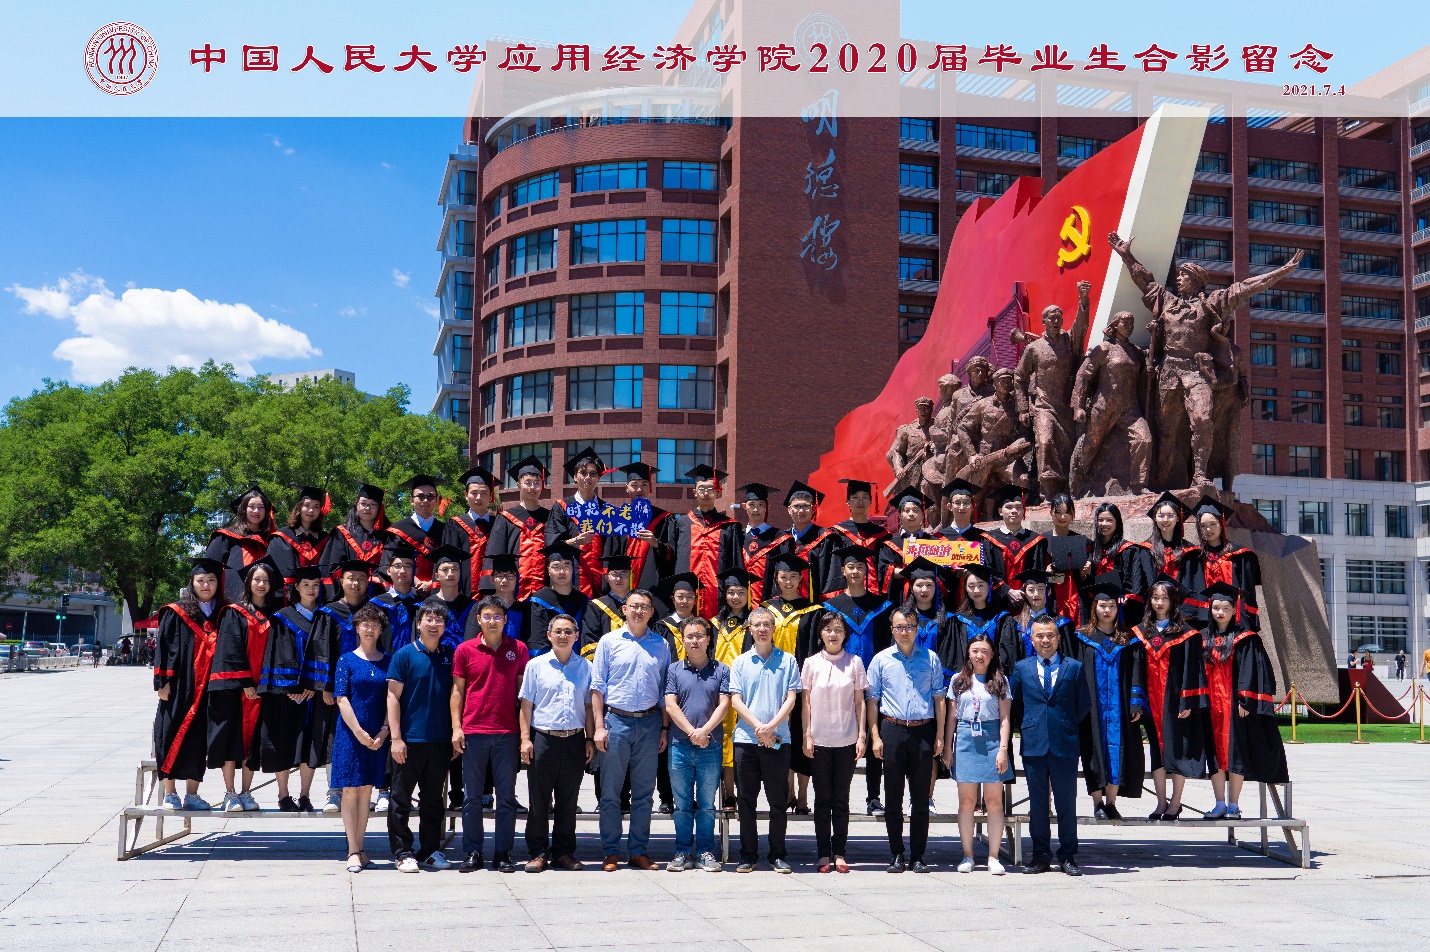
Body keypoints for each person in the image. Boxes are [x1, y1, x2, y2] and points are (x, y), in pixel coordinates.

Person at [590, 588, 670, 871]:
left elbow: (664, 690)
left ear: (651, 612)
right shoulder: (609, 642)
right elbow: (597, 687)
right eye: (634, 606)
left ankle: (638, 850)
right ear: (624, 609)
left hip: (649, 723)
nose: (639, 611)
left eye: (644, 607)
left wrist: (664, 728)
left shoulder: (661, 644)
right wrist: (599, 726)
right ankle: (610, 851)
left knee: (644, 793)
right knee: (611, 792)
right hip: (617, 722)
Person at [452, 595, 530, 873]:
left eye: (498, 616)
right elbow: (458, 691)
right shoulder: (465, 650)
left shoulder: (518, 649)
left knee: (506, 798)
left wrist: (524, 735)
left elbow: (523, 695)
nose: (493, 621)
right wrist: (456, 727)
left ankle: (503, 853)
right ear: (479, 620)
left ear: (505, 620)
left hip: (507, 733)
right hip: (474, 732)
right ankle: (473, 851)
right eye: (487, 616)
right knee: (472, 797)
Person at [867, 607, 946, 873]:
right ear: (892, 630)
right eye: (899, 627)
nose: (905, 632)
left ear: (917, 629)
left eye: (910, 626)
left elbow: (939, 698)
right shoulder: (881, 660)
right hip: (892, 730)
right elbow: (872, 700)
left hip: (923, 731)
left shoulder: (931, 658)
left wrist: (940, 735)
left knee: (921, 799)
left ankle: (918, 856)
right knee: (893, 797)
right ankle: (897, 854)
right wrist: (875, 736)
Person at [1200, 583, 1289, 819]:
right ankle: (1219, 803)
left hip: (1233, 708)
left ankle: (1233, 805)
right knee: (1215, 755)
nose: (1220, 612)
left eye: (1225, 608)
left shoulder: (1245, 639)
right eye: (1216, 608)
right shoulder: (1202, 638)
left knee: (1234, 754)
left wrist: (1245, 701)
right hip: (1211, 707)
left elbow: (1250, 671)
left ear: (1234, 610)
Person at [1011, 615, 1091, 875]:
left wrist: (1064, 724)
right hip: (1034, 744)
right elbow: (1017, 705)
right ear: (1031, 639)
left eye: (1050, 635)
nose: (1045, 640)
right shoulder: (1021, 668)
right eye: (1040, 636)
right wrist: (1032, 724)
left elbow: (1083, 704)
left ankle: (1067, 855)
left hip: (1064, 743)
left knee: (1066, 802)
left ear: (1058, 638)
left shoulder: (1074, 667)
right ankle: (1040, 855)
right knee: (1037, 803)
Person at [821, 544, 894, 817]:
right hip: (841, 681)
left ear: (867, 571)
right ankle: (837, 797)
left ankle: (873, 797)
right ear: (843, 570)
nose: (855, 571)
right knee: (841, 740)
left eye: (860, 567)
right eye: (851, 567)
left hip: (874, 682)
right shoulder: (832, 606)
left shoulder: (881, 606)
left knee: (874, 738)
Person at [1065, 580, 1148, 820]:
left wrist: (1136, 703)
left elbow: (1137, 673)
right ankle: (1097, 802)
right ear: (1095, 607)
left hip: (1120, 707)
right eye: (1102, 605)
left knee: (1117, 751)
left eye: (1112, 605)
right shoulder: (1082, 637)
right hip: (1092, 707)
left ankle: (1111, 802)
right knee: (1093, 750)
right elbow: (1074, 671)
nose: (1107, 610)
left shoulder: (1128, 639)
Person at [518, 613, 593, 872]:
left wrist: (589, 738)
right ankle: (538, 852)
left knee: (568, 800)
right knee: (538, 800)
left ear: (576, 636)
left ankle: (563, 852)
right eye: (558, 631)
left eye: (568, 631)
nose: (563, 636)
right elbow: (526, 705)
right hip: (543, 739)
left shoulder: (585, 667)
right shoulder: (536, 666)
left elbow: (588, 706)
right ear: (549, 635)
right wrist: (525, 739)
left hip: (574, 740)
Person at [728, 607, 801, 873]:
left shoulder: (788, 661)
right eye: (757, 624)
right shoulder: (740, 662)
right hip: (746, 741)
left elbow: (791, 699)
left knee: (778, 801)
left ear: (774, 628)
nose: (762, 629)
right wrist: (760, 727)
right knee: (746, 801)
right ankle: (748, 854)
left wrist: (771, 727)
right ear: (750, 629)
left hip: (778, 740)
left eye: (767, 624)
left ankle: (777, 854)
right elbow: (736, 700)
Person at [386, 597, 456, 872]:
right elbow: (393, 697)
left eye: (439, 620)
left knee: (433, 800)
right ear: (418, 624)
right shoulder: (404, 655)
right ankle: (403, 852)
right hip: (409, 740)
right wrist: (396, 738)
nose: (434, 624)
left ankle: (429, 851)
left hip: (439, 740)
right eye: (429, 619)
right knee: (400, 800)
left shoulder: (450, 656)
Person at [1134, 576, 1210, 821]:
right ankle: (1160, 802)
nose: (1159, 602)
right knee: (1156, 751)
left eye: (1164, 598)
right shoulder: (1141, 632)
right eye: (1155, 598)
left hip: (1174, 701)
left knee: (1177, 750)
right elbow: (1136, 669)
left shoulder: (1186, 634)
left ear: (1173, 601)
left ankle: (1175, 803)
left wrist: (1187, 702)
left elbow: (1192, 669)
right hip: (1151, 701)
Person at [154, 558, 226, 811]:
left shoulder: (224, 612)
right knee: (170, 731)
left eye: (211, 580)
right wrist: (162, 681)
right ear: (192, 583)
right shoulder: (176, 612)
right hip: (180, 684)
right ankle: (170, 792)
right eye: (201, 580)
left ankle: (192, 794)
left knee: (198, 739)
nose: (206, 585)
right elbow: (164, 647)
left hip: (209, 686)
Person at [209, 558, 280, 812]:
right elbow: (230, 650)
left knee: (253, 742)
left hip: (265, 688)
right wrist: (246, 682)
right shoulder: (234, 612)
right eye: (257, 579)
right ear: (248, 582)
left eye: (266, 580)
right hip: (236, 689)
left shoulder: (276, 615)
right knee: (232, 739)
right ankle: (230, 793)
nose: (261, 584)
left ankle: (246, 792)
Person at [800, 611, 868, 874]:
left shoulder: (855, 662)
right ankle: (822, 853)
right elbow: (806, 703)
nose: (833, 634)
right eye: (828, 629)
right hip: (819, 740)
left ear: (845, 634)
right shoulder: (811, 663)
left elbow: (860, 703)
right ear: (821, 633)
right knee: (822, 800)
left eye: (838, 629)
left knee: (841, 799)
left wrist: (861, 735)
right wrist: (807, 735)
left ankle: (839, 852)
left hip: (847, 740)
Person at [663, 615, 731, 872]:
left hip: (710, 746)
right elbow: (670, 705)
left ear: (708, 639)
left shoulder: (722, 670)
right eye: (689, 636)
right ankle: (682, 851)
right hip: (680, 745)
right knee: (682, 804)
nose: (694, 641)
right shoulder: (673, 670)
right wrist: (693, 732)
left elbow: (724, 705)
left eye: (699, 636)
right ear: (683, 640)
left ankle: (705, 852)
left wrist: (704, 731)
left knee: (706, 804)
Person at [305, 559, 373, 814]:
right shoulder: (328, 613)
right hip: (336, 690)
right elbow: (320, 650)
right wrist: (325, 686)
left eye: (361, 579)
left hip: (366, 689)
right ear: (341, 581)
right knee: (334, 739)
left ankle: (364, 788)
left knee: (365, 735)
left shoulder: (373, 611)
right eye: (351, 578)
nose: (356, 583)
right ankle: (334, 791)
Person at [943, 632, 1012, 874]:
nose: (979, 655)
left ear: (992, 655)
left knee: (993, 801)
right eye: (975, 651)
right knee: (966, 802)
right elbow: (952, 718)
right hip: (965, 740)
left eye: (984, 651)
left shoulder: (1000, 680)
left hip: (992, 740)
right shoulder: (958, 680)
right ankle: (968, 855)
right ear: (968, 654)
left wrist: (1003, 750)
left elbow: (1005, 718)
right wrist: (948, 747)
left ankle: (993, 856)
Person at [331, 603, 391, 872]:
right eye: (365, 624)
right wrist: (358, 731)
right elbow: (341, 698)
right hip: (350, 733)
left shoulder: (388, 661)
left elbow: (392, 697)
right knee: (350, 789)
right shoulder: (346, 660)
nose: (370, 629)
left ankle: (362, 847)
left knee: (367, 789)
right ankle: (352, 850)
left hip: (378, 734)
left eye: (375, 625)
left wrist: (384, 731)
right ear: (356, 628)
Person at [259, 565, 323, 811]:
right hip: (287, 693)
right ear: (297, 587)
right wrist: (293, 686)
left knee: (309, 744)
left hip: (314, 692)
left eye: (315, 585)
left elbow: (327, 654)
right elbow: (278, 653)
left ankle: (305, 795)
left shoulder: (325, 617)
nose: (311, 589)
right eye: (306, 585)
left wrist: (314, 685)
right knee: (284, 740)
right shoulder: (283, 617)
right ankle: (284, 795)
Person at [763, 552, 822, 813]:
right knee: (781, 737)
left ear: (801, 579)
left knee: (801, 736)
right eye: (783, 576)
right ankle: (787, 791)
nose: (788, 581)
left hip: (802, 683)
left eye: (793, 577)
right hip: (774, 683)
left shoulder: (813, 611)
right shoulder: (766, 610)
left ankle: (803, 795)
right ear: (776, 578)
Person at [675, 465, 745, 618]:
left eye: (710, 489)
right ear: (695, 492)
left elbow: (735, 563)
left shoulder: (729, 526)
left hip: (718, 597)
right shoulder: (682, 524)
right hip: (687, 597)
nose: (706, 493)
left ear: (718, 492)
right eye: (701, 489)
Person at [1182, 498, 1262, 631]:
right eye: (1203, 525)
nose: (1208, 529)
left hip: (1234, 620)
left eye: (1213, 524)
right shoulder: (1195, 557)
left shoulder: (1240, 555)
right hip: (1204, 623)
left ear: (1221, 524)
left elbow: (1246, 592)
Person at [547, 447, 614, 598]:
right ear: (575, 477)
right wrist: (575, 541)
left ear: (598, 478)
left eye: (593, 474)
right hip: (571, 580)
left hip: (600, 582)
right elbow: (552, 544)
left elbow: (612, 547)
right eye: (583, 473)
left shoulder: (607, 510)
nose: (588, 477)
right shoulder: (562, 507)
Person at [817, 479, 901, 599]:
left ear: (870, 501)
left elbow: (885, 569)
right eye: (855, 497)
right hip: (846, 597)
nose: (860, 501)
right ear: (847, 502)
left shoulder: (882, 534)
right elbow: (833, 569)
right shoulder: (836, 534)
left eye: (864, 497)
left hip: (876, 598)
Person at [712, 568, 754, 807]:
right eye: (731, 592)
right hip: (719, 691)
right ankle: (729, 793)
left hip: (746, 690)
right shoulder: (714, 623)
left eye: (740, 592)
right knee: (725, 739)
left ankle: (747, 794)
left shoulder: (754, 623)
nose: (736, 597)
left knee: (744, 740)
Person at [489, 455, 554, 598]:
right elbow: (496, 553)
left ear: (542, 485)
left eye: (537, 483)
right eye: (528, 483)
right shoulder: (505, 518)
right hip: (512, 589)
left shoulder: (550, 517)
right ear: (518, 485)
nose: (532, 487)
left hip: (545, 587)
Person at [615, 462, 680, 593]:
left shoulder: (664, 518)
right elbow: (611, 553)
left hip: (653, 587)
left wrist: (656, 544)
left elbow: (672, 555)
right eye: (634, 485)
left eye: (644, 484)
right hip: (621, 585)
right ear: (627, 488)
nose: (639, 489)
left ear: (650, 488)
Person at [205, 485, 276, 601]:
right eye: (251, 506)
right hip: (234, 599)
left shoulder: (271, 539)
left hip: (265, 601)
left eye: (261, 507)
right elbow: (207, 569)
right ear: (243, 509)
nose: (256, 511)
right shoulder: (225, 536)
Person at [1087, 503, 1151, 629]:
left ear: (1117, 522)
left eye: (1109, 520)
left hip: (1122, 607)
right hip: (1097, 606)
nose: (1104, 524)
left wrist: (1126, 597)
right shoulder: (1092, 549)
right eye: (1100, 520)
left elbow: (1135, 580)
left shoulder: (1128, 550)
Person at [523, 543, 591, 658]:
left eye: (566, 566)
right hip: (549, 663)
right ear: (548, 570)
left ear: (573, 569)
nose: (561, 572)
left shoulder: (584, 601)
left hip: (580, 663)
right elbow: (537, 641)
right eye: (556, 567)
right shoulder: (538, 601)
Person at [998, 569, 1071, 675]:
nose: (1036, 594)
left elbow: (1068, 657)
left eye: (1041, 589)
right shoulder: (1014, 624)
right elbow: (1010, 658)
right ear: (1025, 593)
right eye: (1031, 590)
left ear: (1049, 591)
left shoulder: (1061, 623)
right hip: (1025, 679)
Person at [942, 563, 1008, 675]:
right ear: (965, 588)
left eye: (981, 585)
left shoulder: (1002, 619)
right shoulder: (957, 620)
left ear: (989, 586)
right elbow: (953, 656)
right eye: (971, 586)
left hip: (994, 678)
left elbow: (1006, 655)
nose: (976, 590)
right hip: (966, 678)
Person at [383, 475, 447, 591]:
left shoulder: (446, 530)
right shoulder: (398, 529)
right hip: (406, 591)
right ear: (412, 500)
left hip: (439, 592)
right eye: (420, 496)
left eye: (430, 496)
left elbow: (451, 563)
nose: (425, 500)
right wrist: (415, 582)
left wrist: (432, 584)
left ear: (437, 500)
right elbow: (388, 563)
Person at [323, 484, 389, 595]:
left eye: (373, 504)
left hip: (379, 594)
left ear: (380, 508)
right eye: (363, 503)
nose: (367, 508)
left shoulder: (388, 536)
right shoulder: (342, 533)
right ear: (356, 505)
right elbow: (333, 567)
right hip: (348, 594)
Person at [268, 487, 331, 601]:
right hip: (290, 599)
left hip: (319, 597)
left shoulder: (326, 539)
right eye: (307, 505)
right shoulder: (282, 536)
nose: (311, 510)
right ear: (299, 507)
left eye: (316, 506)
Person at [982, 485, 1048, 593]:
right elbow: (987, 570)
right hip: (998, 599)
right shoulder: (988, 539)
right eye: (1009, 507)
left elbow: (1038, 569)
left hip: (1028, 597)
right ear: (1000, 511)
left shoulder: (1035, 540)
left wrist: (1023, 591)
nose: (1014, 511)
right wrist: (1007, 591)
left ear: (1024, 510)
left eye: (1018, 507)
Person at [444, 466, 498, 594]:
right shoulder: (455, 524)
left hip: (494, 590)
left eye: (484, 493)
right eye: (474, 493)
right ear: (466, 495)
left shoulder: (499, 523)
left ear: (490, 496)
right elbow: (449, 560)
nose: (479, 497)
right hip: (463, 591)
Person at [1040, 493, 1092, 623]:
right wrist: (1046, 574)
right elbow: (1036, 573)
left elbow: (1089, 579)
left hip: (1077, 599)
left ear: (1073, 514)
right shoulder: (1041, 541)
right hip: (1052, 598)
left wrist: (1084, 573)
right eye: (1058, 512)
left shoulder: (1083, 542)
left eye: (1067, 512)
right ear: (1051, 512)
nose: (1062, 517)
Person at [736, 482, 789, 606]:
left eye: (760, 504)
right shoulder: (738, 537)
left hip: (770, 602)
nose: (756, 509)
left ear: (767, 507)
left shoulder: (779, 537)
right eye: (751, 504)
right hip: (739, 603)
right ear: (744, 506)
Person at [781, 480, 835, 602]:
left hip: (816, 604)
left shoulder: (826, 538)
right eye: (796, 506)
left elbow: (830, 575)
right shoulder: (782, 539)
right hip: (786, 604)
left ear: (814, 509)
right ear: (789, 509)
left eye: (806, 506)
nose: (801, 511)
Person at [580, 553, 634, 659]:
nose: (619, 578)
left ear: (632, 576)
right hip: (607, 665)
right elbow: (590, 641)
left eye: (624, 574)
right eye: (614, 574)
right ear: (607, 578)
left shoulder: (640, 605)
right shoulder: (595, 607)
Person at [370, 546, 420, 653]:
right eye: (397, 566)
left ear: (415, 571)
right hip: (384, 661)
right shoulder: (375, 605)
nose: (402, 571)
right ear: (388, 570)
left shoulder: (422, 605)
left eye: (408, 566)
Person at [1140, 492, 1197, 584]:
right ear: (1155, 518)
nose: (1165, 520)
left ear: (1178, 518)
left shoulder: (1189, 550)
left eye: (1170, 515)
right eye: (1161, 515)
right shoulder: (1145, 549)